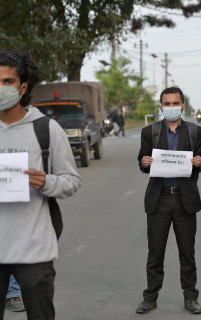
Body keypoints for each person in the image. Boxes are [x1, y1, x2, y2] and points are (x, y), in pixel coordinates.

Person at [0, 49, 82, 320]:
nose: (0, 88)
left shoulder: (46, 130)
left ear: (23, 87)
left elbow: (71, 181)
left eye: (7, 82)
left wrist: (46, 182)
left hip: (34, 249)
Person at [136, 87, 201, 314]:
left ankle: (190, 297)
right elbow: (142, 162)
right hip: (159, 200)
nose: (171, 107)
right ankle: (150, 297)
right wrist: (145, 162)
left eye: (175, 103)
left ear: (183, 106)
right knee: (155, 252)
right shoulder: (150, 132)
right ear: (161, 107)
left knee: (187, 253)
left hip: (185, 200)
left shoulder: (195, 132)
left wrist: (199, 162)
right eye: (167, 104)